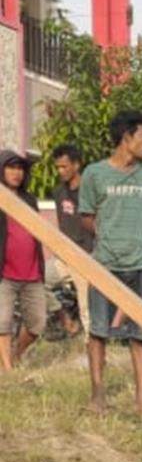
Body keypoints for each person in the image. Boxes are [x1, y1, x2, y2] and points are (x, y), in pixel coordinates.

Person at [81, 110, 142, 417]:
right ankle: (97, 396)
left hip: (139, 265)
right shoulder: (94, 174)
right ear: (126, 137)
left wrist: (140, 245)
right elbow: (86, 216)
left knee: (141, 334)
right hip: (103, 264)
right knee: (99, 331)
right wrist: (108, 236)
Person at [0, 150, 48, 372]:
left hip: (31, 272)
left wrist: (40, 266)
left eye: (20, 168)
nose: (17, 173)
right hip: (4, 273)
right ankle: (8, 370)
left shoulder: (29, 199)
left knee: (38, 323)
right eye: (11, 167)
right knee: (2, 324)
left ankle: (17, 354)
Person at [51, 144, 94, 334]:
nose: (60, 171)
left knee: (87, 308)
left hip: (86, 256)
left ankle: (91, 348)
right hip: (64, 257)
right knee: (36, 282)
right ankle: (66, 319)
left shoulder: (91, 191)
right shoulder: (59, 192)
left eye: (64, 166)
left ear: (76, 165)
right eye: (57, 167)